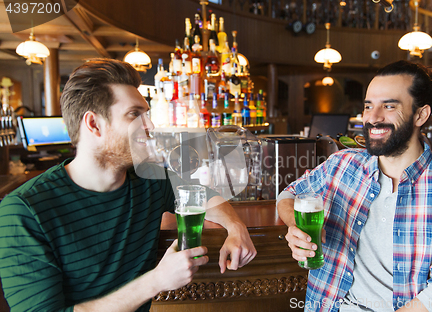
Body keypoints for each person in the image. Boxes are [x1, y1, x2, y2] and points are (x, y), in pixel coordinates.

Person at [0, 59, 256, 312]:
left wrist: (236, 226)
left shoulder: (149, 180)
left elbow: (203, 196)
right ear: (93, 124)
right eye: (135, 114)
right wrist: (156, 281)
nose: (150, 126)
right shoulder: (23, 212)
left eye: (147, 115)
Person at [277, 60, 432, 312]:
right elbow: (289, 194)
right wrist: (294, 225)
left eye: (388, 106)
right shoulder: (342, 164)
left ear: (420, 115)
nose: (372, 118)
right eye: (368, 106)